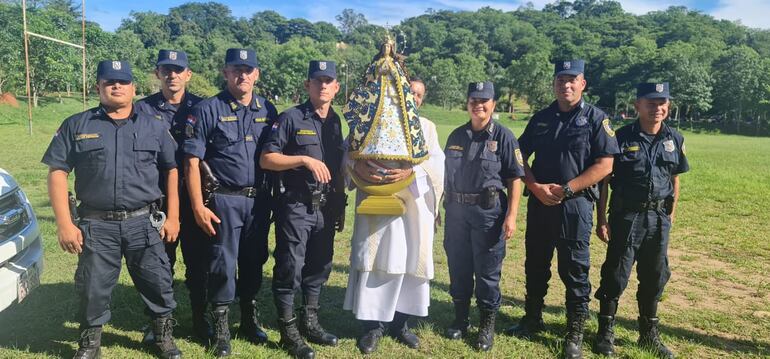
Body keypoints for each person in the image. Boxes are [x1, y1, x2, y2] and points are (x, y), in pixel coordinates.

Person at [42, 60, 182, 359]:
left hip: (143, 222)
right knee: (93, 286)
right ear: (98, 87)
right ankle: (90, 341)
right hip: (96, 223)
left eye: (122, 81)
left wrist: (173, 217)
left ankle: (162, 336)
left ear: (134, 88)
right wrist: (64, 223)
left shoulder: (153, 126)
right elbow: (57, 172)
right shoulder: (76, 125)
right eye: (109, 82)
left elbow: (171, 170)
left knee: (157, 281)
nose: (116, 86)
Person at [506, 60, 620, 359]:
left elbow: (605, 165)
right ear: (554, 84)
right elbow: (519, 157)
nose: (566, 85)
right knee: (535, 264)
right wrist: (535, 187)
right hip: (542, 204)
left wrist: (568, 188)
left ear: (583, 83)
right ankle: (532, 319)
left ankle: (575, 332)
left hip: (575, 205)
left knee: (575, 270)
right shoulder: (542, 118)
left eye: (572, 80)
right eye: (561, 80)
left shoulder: (596, 119)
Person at [182, 48, 277, 357]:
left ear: (257, 74)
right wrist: (198, 206)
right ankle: (221, 326)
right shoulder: (209, 108)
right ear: (225, 72)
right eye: (236, 69)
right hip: (223, 200)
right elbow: (192, 162)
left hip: (258, 200)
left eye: (249, 69)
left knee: (255, 259)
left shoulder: (268, 109)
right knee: (222, 264)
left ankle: (249, 318)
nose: (243, 74)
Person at [343, 77, 445, 354]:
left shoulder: (426, 128)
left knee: (408, 261)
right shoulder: (370, 122)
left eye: (419, 94)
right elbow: (348, 153)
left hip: (412, 210)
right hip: (376, 207)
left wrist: (412, 172)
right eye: (408, 91)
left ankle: (401, 323)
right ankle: (371, 327)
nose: (413, 97)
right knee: (375, 260)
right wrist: (357, 167)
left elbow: (437, 163)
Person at [593, 82, 687, 359]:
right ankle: (605, 333)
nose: (657, 108)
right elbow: (605, 182)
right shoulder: (620, 137)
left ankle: (648, 334)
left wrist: (671, 213)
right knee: (616, 274)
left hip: (658, 219)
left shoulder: (675, 139)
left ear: (668, 107)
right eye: (650, 102)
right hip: (627, 216)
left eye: (662, 103)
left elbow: (675, 178)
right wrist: (602, 218)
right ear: (637, 105)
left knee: (655, 275)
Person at [260, 60, 345, 359]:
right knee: (289, 267)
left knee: (319, 266)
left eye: (328, 81)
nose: (323, 85)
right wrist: (303, 160)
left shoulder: (336, 122)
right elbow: (267, 159)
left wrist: (341, 204)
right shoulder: (291, 118)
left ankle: (310, 322)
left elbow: (339, 168)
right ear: (307, 85)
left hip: (327, 207)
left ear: (336, 88)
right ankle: (288, 329)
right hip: (296, 204)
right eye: (317, 80)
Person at [443, 81, 524, 352]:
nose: (478, 105)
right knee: (459, 267)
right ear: (467, 103)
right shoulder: (455, 135)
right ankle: (460, 319)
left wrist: (512, 216)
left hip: (489, 214)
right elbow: (444, 177)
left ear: (493, 104)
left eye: (484, 100)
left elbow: (515, 179)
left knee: (488, 272)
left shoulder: (504, 137)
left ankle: (486, 325)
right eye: (473, 100)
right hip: (456, 213)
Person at [135, 49, 209, 340]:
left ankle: (200, 319)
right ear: (157, 74)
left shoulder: (203, 107)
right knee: (158, 263)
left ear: (188, 74)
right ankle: (157, 322)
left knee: (198, 262)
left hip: (194, 196)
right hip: (156, 197)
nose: (172, 75)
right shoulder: (141, 109)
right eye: (166, 70)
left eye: (178, 70)